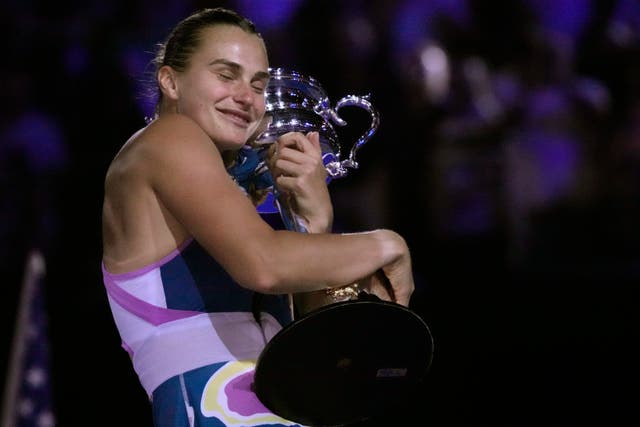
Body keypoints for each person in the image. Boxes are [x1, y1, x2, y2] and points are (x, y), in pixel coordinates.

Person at [101, 7, 415, 427]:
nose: (247, 96)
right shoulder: (167, 139)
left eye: (258, 83)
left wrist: (314, 222)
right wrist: (388, 244)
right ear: (170, 81)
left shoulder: (243, 185)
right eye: (226, 75)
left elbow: (328, 345)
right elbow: (263, 265)